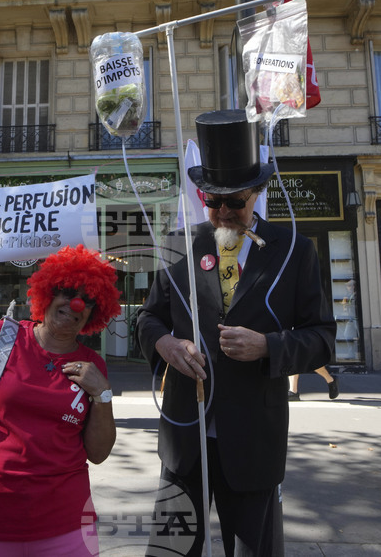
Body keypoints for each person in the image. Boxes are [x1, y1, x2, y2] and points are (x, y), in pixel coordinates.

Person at [137, 109, 337, 556]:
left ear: (258, 193)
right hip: (184, 437)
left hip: (253, 440)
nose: (223, 212)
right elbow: (148, 319)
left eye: (236, 201)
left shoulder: (294, 251)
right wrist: (167, 344)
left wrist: (269, 346)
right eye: (213, 201)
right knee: (172, 550)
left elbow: (323, 337)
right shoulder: (182, 245)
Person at [0, 245, 120, 555]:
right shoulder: (3, 338)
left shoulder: (93, 365)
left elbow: (99, 453)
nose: (74, 303)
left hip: (68, 523)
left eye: (86, 299)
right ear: (47, 292)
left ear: (94, 310)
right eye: (65, 291)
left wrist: (103, 395)